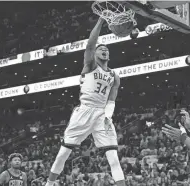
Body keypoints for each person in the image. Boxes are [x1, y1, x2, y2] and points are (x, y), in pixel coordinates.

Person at [45, 17, 125, 186]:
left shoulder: (114, 76)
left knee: (113, 157)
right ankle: (49, 184)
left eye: (106, 49)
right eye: (100, 49)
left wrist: (107, 116)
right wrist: (101, 21)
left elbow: (112, 99)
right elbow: (91, 43)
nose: (104, 50)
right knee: (63, 153)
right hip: (84, 110)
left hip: (102, 113)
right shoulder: (90, 65)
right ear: (94, 53)